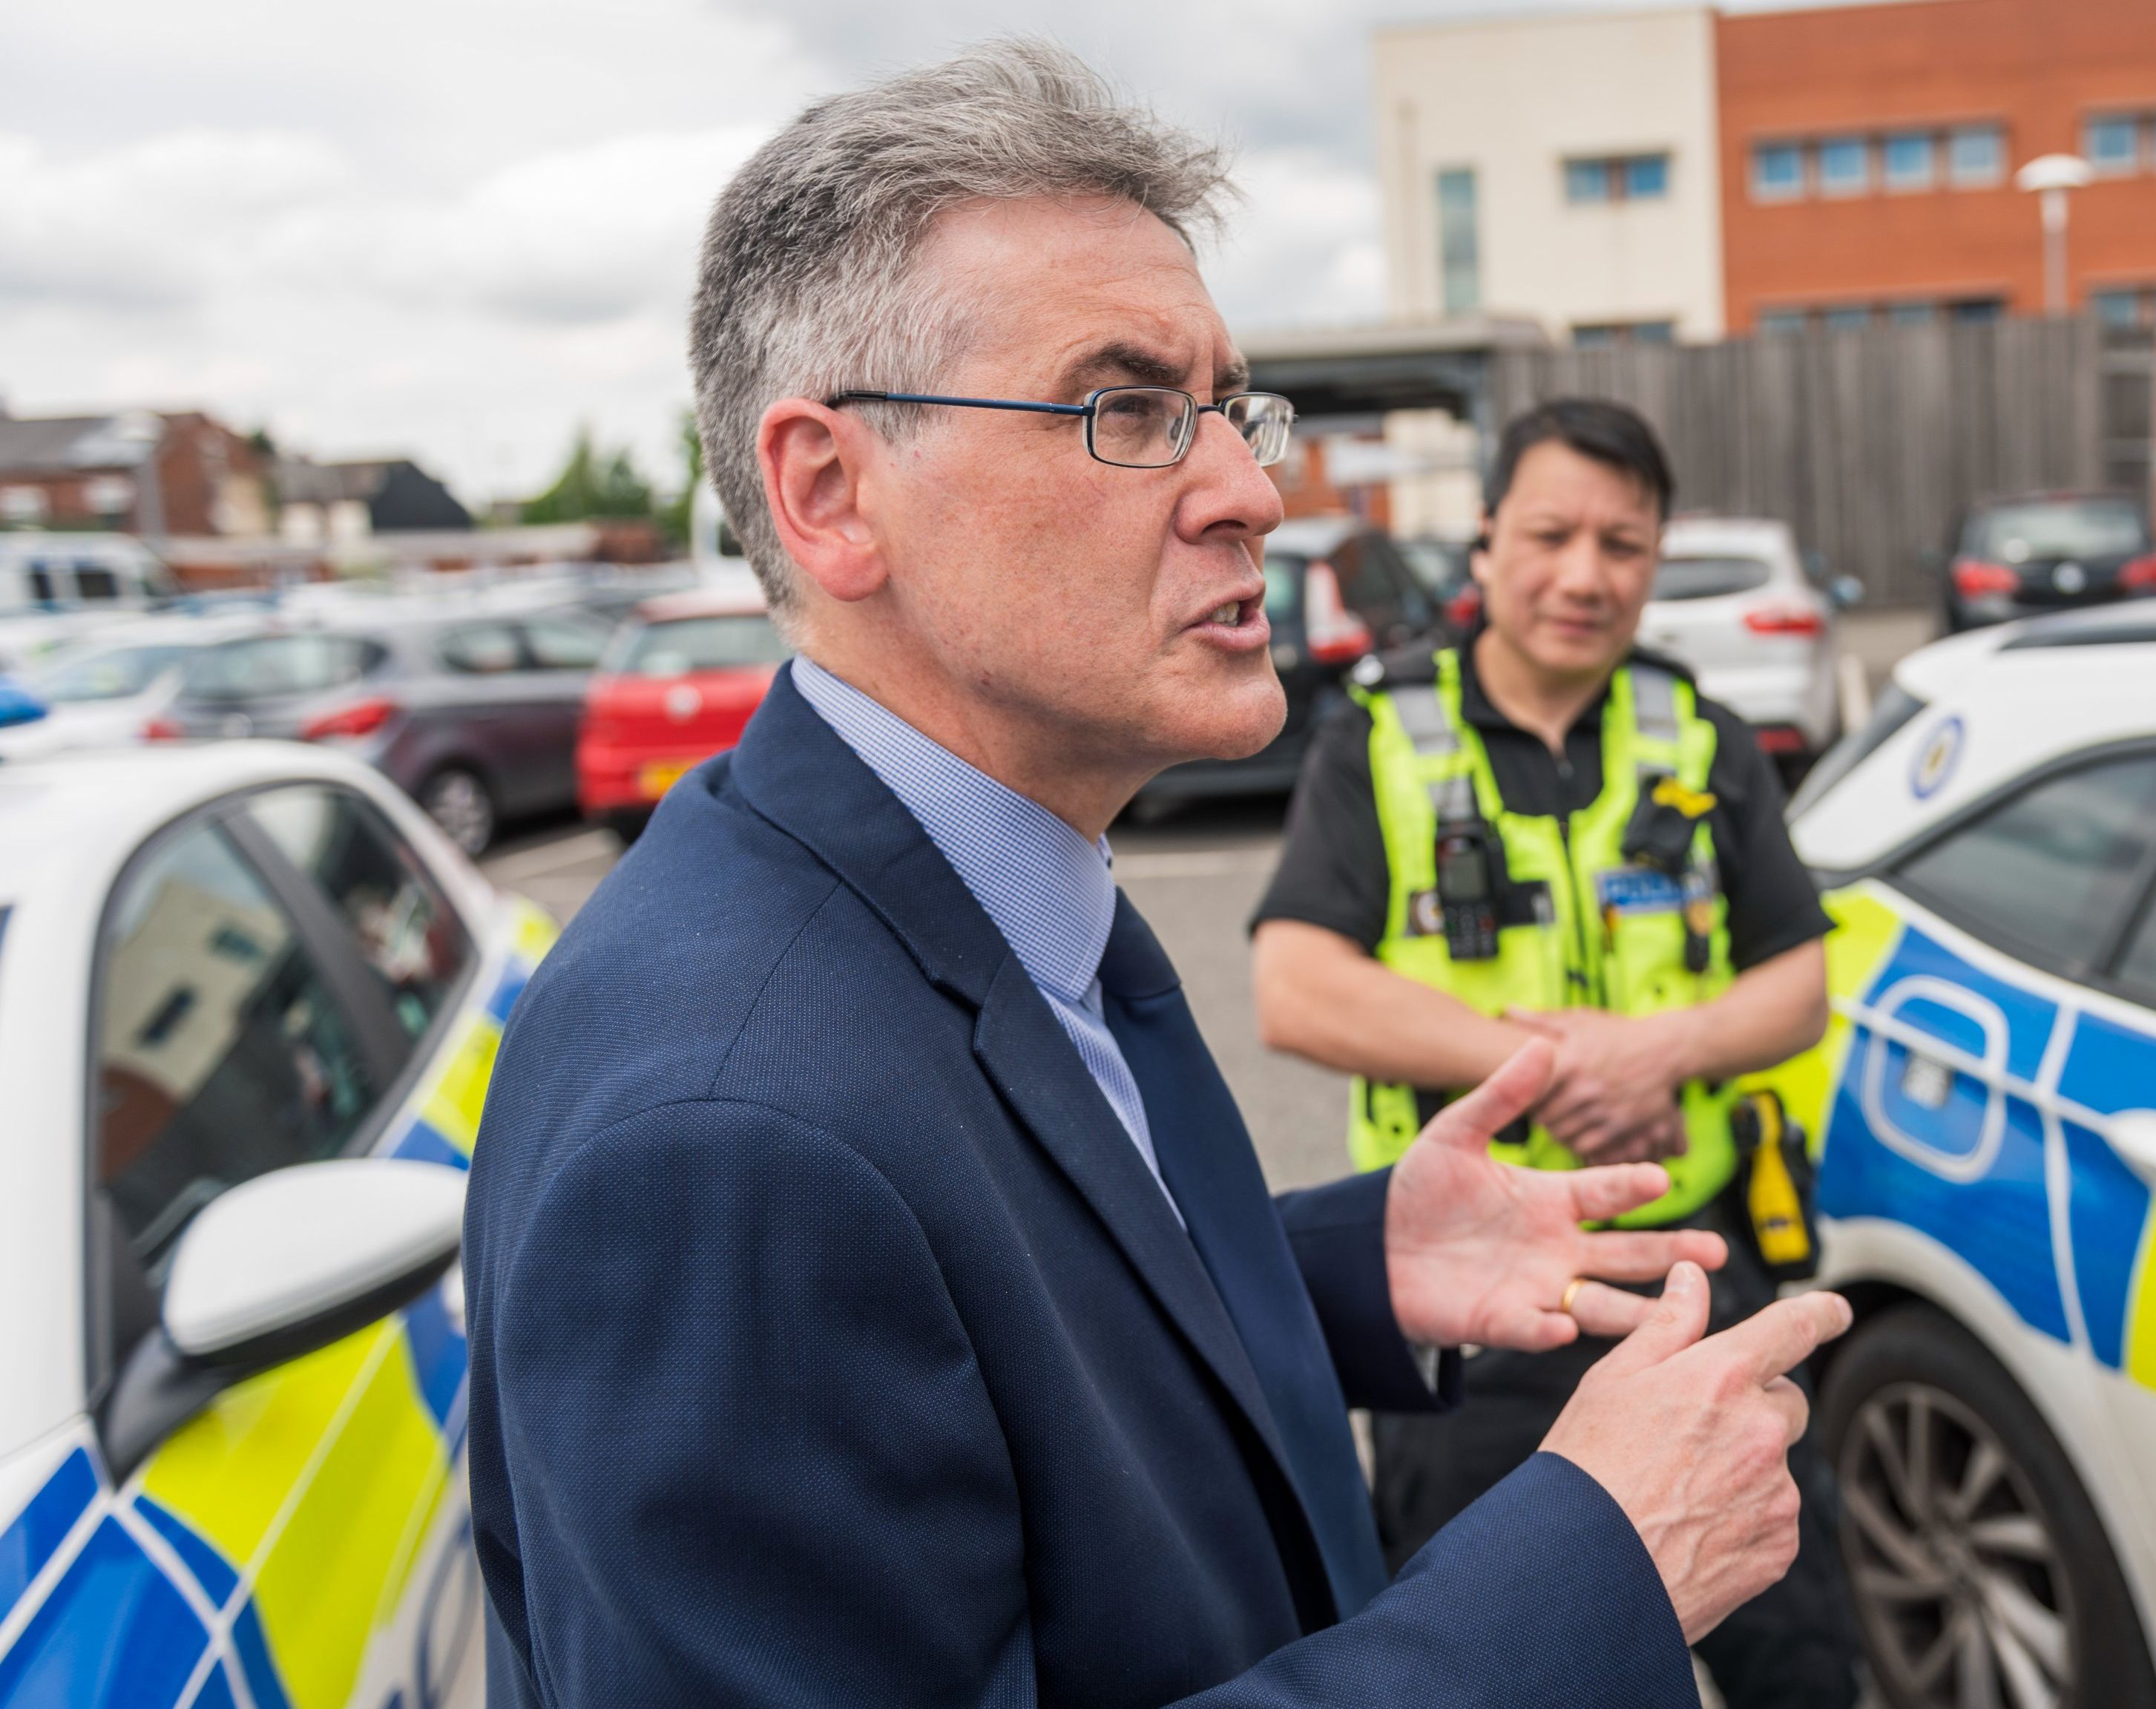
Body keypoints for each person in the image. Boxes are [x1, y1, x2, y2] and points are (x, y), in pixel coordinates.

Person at [463, 43, 1850, 1709]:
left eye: (1227, 409)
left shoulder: (977, 893)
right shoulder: (719, 1139)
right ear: (829, 494)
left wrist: (1340, 1266)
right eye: (1125, 408)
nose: (1252, 493)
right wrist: (1591, 1568)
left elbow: (996, 1290)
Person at [1248, 398, 1860, 1708]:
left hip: (1695, 1273)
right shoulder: (1381, 736)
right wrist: (1552, 1070)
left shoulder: (1700, 735)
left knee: (1799, 1649)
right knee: (1491, 1664)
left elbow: (1799, 982)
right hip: (1477, 1312)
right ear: (1483, 542)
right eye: (1551, 533)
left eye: (1623, 544)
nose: (1585, 574)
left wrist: (1663, 1049)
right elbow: (1294, 984)